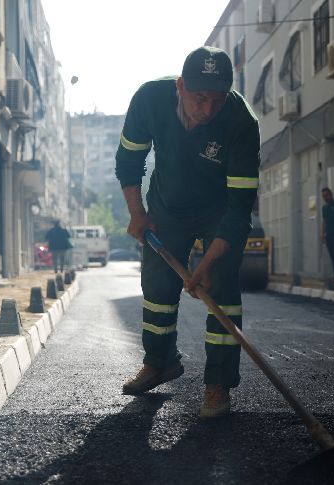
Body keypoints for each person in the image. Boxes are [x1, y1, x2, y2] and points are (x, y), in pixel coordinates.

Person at [114, 46, 260, 419]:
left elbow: (241, 204)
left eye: (217, 99)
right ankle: (160, 362)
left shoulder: (241, 122)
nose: (208, 109)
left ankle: (218, 383)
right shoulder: (150, 99)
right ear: (180, 86)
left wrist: (209, 262)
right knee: (159, 288)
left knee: (222, 291)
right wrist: (138, 214)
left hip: (219, 209)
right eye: (199, 98)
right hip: (167, 207)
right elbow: (129, 160)